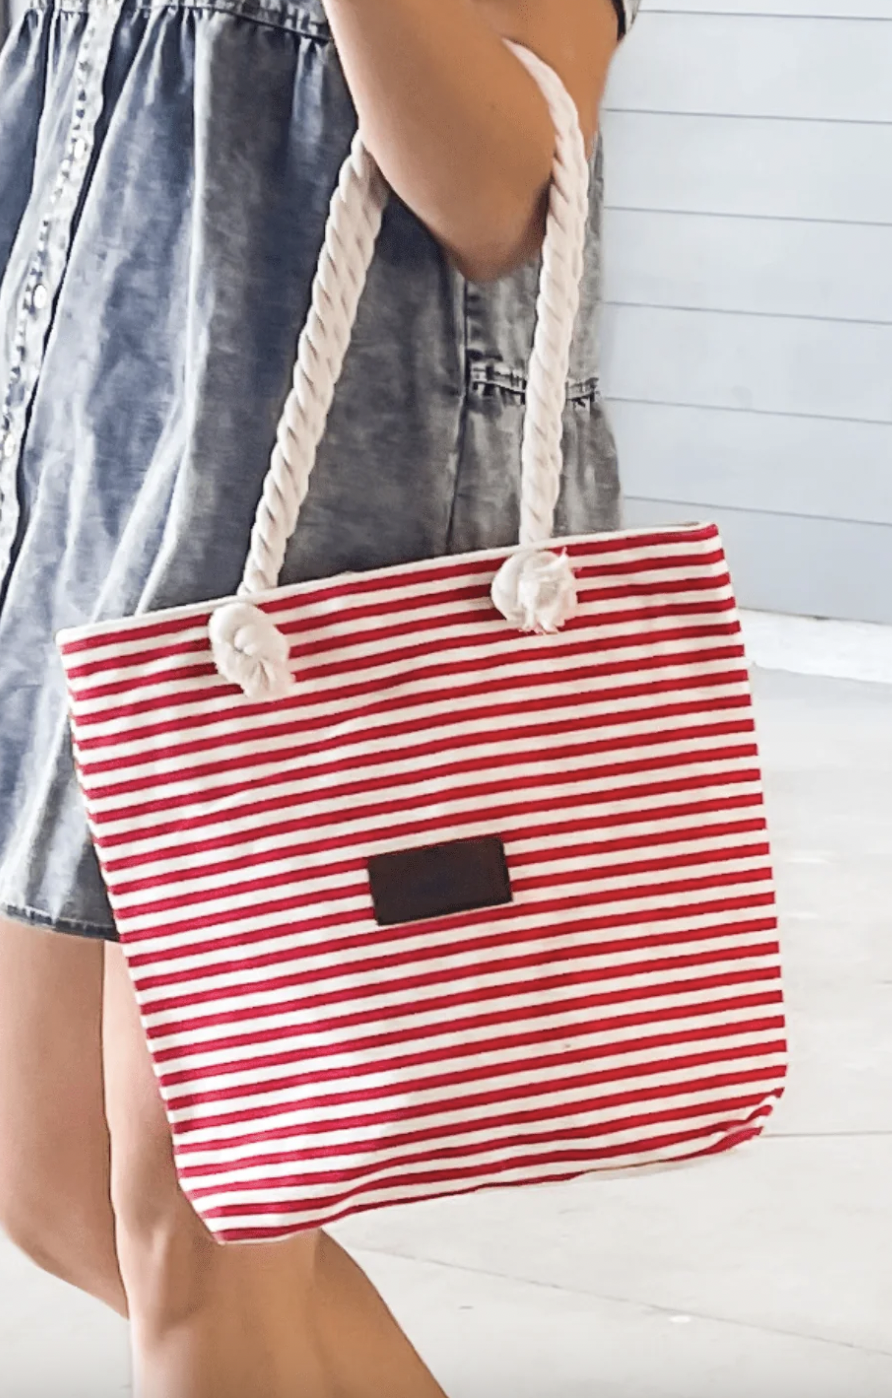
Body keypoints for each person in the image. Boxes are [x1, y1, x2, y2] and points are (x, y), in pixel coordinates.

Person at [0, 0, 638, 1392]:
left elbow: (497, 191)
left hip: (309, 565)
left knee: (201, 1228)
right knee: (52, 1171)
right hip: (92, 500)